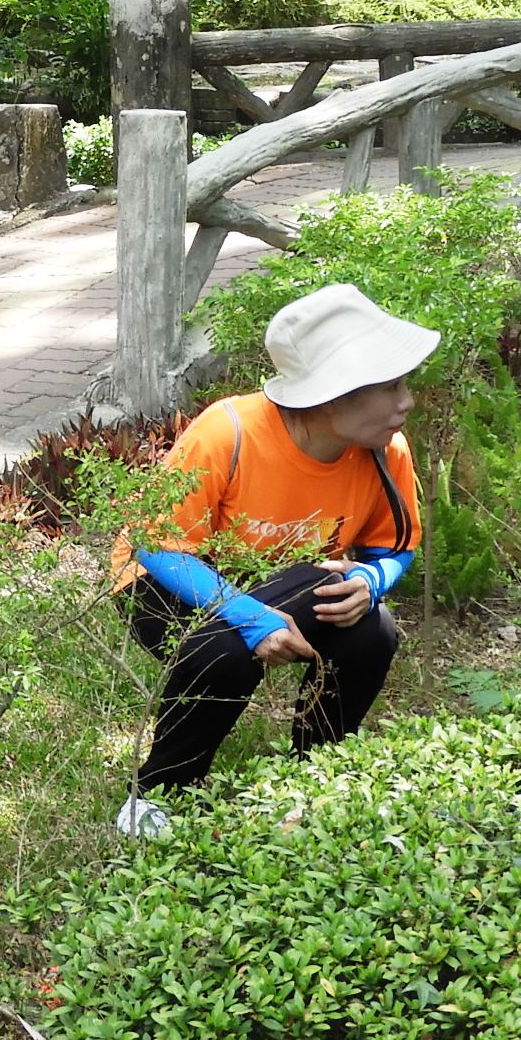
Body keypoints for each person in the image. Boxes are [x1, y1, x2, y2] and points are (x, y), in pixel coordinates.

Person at [111, 284, 433, 840]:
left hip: (285, 586)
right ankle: (159, 793)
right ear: (332, 396)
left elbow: (395, 544)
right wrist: (251, 616)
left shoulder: (386, 449)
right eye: (390, 387)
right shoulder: (229, 430)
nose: (406, 402)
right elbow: (156, 544)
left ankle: (315, 773)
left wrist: (370, 579)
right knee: (227, 651)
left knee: (370, 629)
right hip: (166, 580)